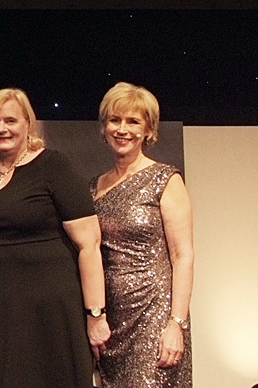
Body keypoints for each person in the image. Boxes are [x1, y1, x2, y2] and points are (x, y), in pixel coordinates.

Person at [0, 88, 110, 388]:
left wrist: (95, 314)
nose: (2, 128)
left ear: (28, 123)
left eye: (10, 120)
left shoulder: (54, 166)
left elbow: (88, 244)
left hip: (47, 312)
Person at [91, 83, 193, 388]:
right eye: (115, 120)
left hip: (155, 314)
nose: (123, 129)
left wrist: (176, 324)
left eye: (133, 121)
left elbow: (182, 256)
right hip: (110, 320)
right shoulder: (93, 187)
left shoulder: (166, 179)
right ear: (104, 126)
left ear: (148, 130)